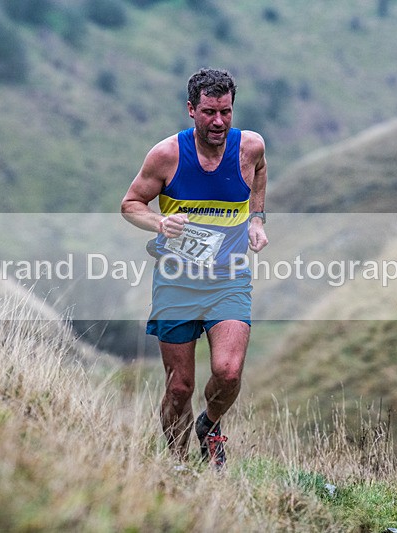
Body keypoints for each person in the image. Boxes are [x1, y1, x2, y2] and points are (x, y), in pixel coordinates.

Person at [120, 68, 268, 469]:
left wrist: (256, 220)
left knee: (228, 371)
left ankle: (210, 426)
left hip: (228, 279)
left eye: (225, 112)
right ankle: (177, 466)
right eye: (208, 112)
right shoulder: (167, 155)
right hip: (176, 283)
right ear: (191, 110)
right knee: (180, 387)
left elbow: (259, 175)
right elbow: (131, 204)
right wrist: (159, 222)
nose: (218, 122)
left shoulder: (249, 147)